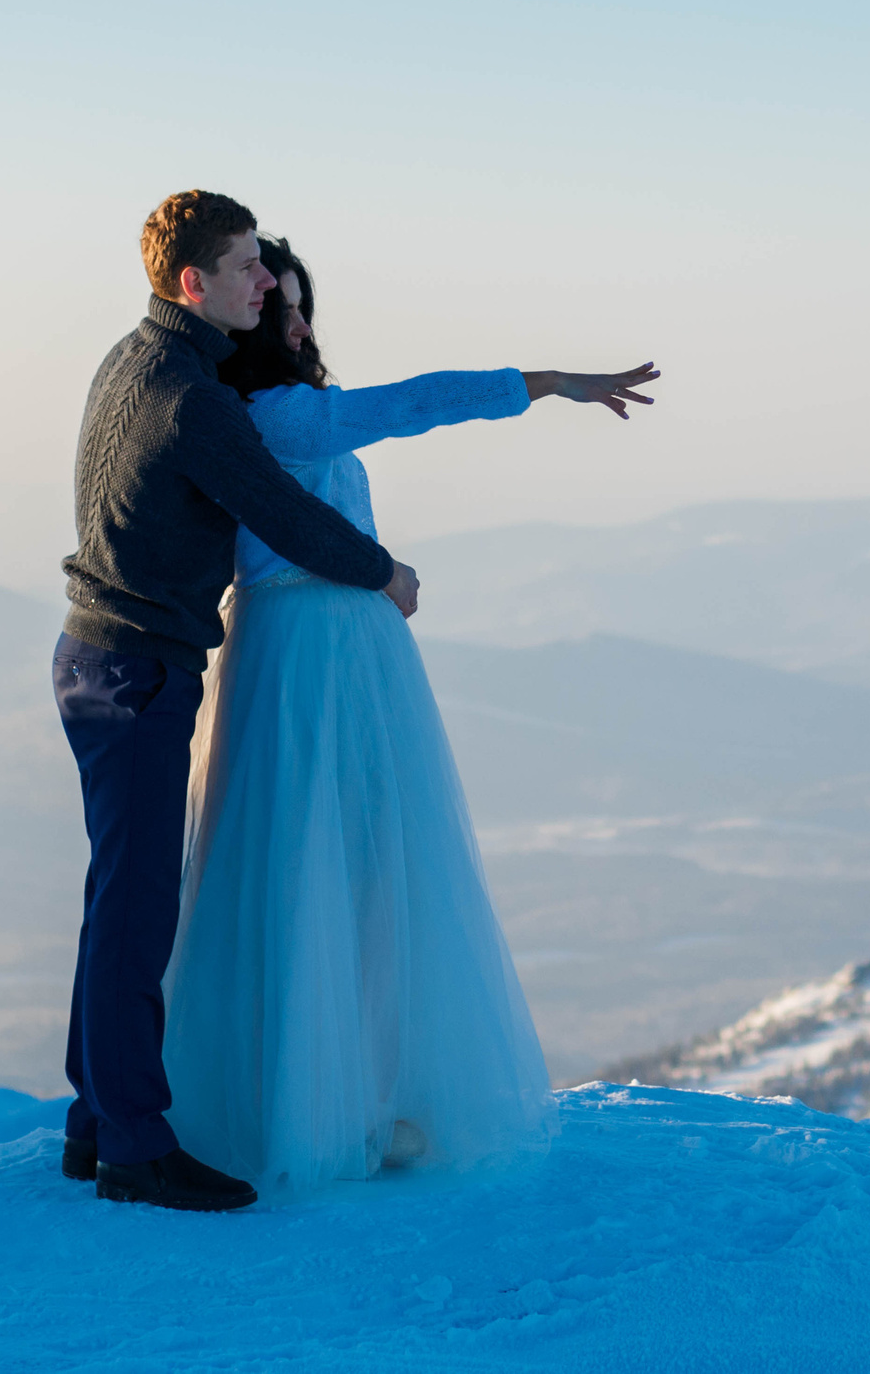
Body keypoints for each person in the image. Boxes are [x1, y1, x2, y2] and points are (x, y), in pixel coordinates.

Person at [159, 235, 656, 1193]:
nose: (296, 321)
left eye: (302, 303)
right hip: (320, 651)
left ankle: (319, 1093)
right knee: (343, 864)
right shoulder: (287, 416)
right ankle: (331, 1109)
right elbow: (415, 402)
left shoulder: (268, 413)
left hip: (312, 644)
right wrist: (544, 382)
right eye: (277, 306)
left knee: (309, 864)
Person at [54, 190, 427, 1213]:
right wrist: (382, 569)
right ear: (194, 282)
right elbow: (284, 515)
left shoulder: (136, 358)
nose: (265, 287)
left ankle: (95, 1122)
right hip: (137, 669)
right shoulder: (193, 397)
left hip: (103, 657)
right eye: (248, 270)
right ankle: (132, 1145)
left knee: (117, 904)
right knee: (135, 916)